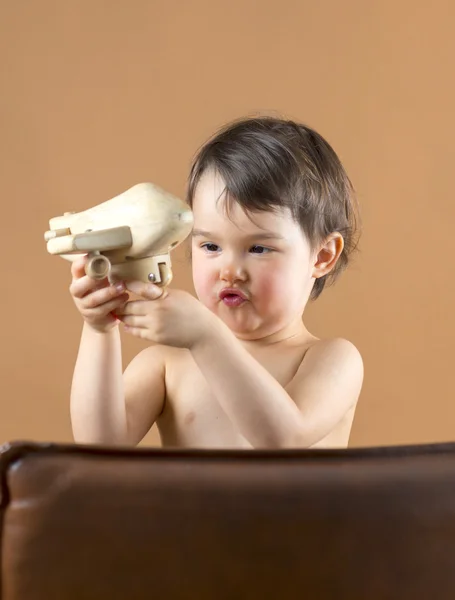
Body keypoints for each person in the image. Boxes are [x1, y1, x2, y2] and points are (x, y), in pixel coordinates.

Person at [69, 115, 364, 449]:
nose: (230, 271)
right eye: (210, 246)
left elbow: (283, 439)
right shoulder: (167, 365)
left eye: (258, 248)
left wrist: (206, 337)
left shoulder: (331, 359)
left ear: (322, 256)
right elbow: (99, 443)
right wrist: (98, 328)